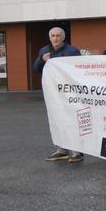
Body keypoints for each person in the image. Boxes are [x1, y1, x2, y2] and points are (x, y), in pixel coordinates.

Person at [35, 27, 83, 163]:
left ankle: (76, 151)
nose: (55, 38)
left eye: (58, 36)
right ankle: (61, 149)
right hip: (52, 92)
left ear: (63, 37)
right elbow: (36, 69)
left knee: (72, 120)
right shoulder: (44, 51)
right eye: (53, 36)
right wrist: (41, 60)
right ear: (49, 37)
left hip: (68, 92)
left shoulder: (72, 51)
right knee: (56, 120)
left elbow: (79, 70)